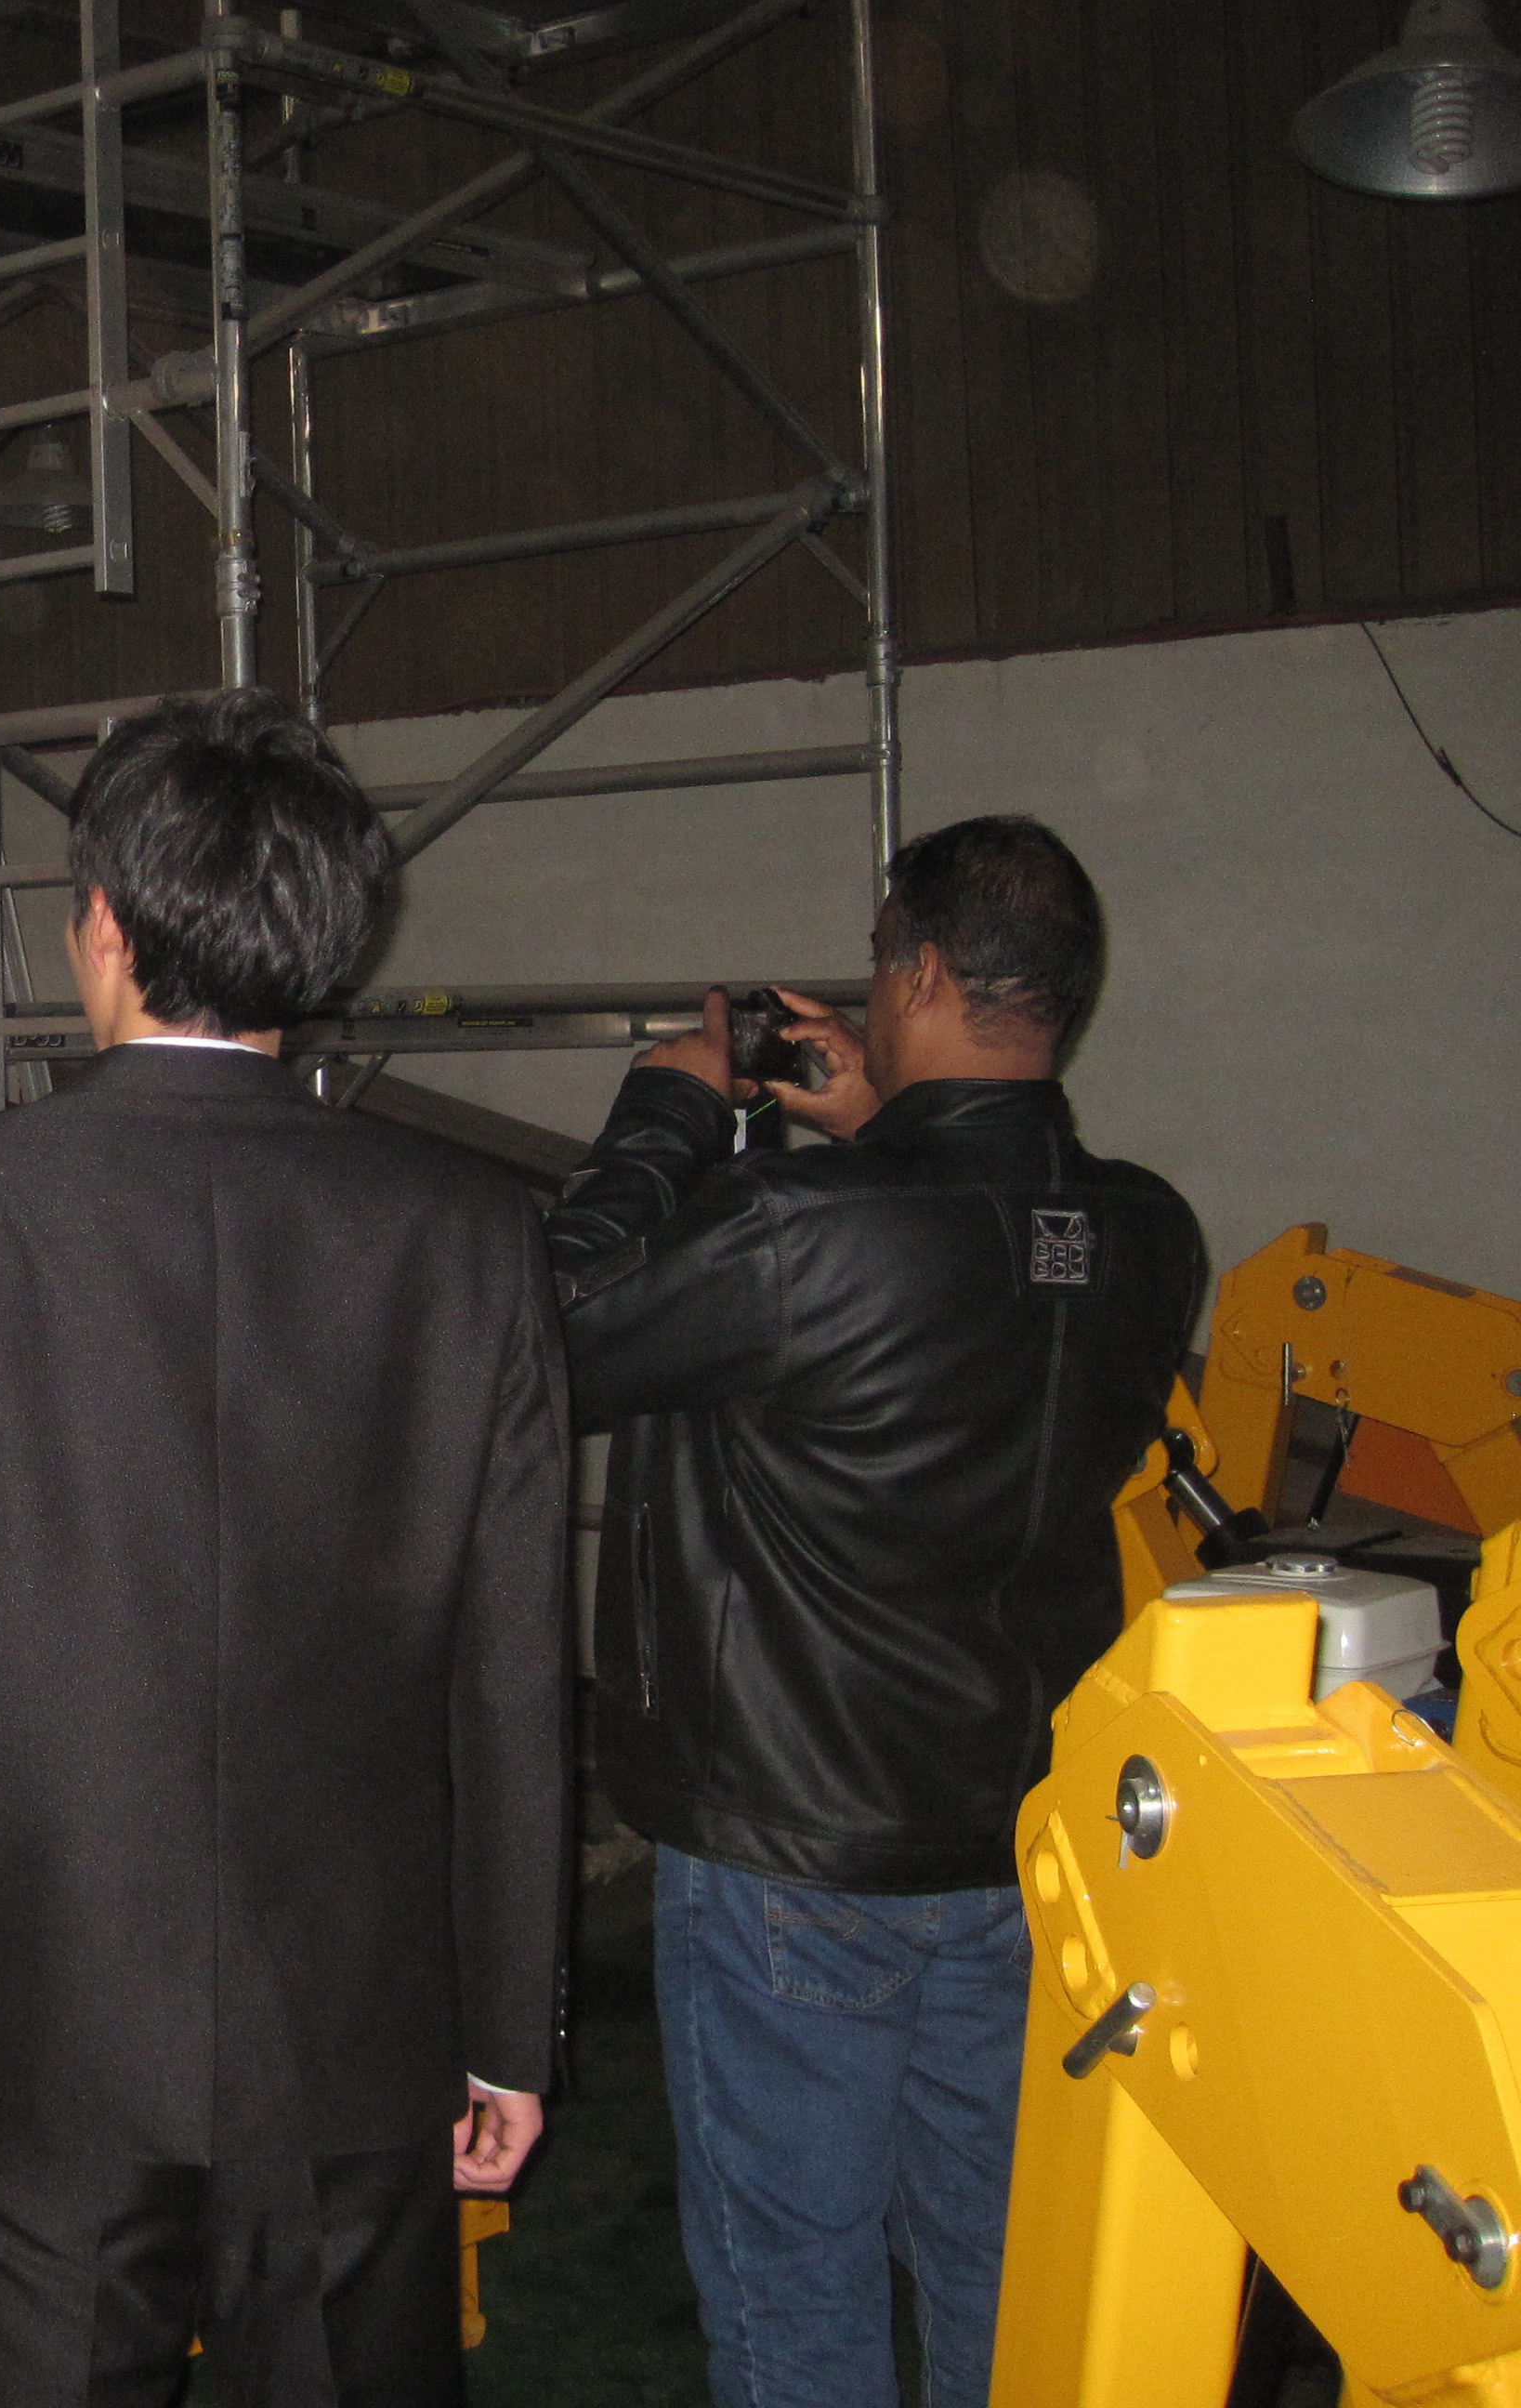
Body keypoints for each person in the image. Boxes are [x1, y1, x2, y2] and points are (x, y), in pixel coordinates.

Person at [0, 688, 571, 2408]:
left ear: (103, 924)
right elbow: (512, 1668)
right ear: (324, 940)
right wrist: (507, 2026)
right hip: (358, 2022)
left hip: (38, 2011)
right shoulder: (468, 1232)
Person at [545, 814, 1204, 2408]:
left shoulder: (798, 1229)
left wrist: (669, 1110)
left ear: (913, 972)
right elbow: (979, 1259)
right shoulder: (1149, 1235)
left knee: (796, 2292)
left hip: (796, 1854)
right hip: (1021, 1842)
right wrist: (889, 1127)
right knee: (994, 2265)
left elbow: (537, 1337)